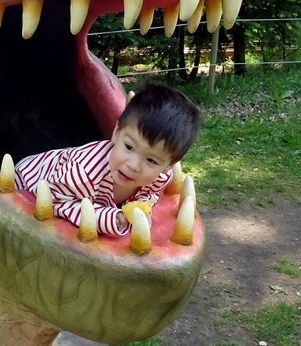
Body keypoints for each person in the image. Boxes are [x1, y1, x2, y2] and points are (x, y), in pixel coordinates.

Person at [14, 84, 200, 236]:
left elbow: (150, 194)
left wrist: (142, 206)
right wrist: (109, 217)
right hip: (30, 181)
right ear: (116, 133)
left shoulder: (160, 178)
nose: (133, 165)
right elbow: (53, 202)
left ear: (168, 167)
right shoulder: (83, 173)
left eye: (151, 160)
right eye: (129, 147)